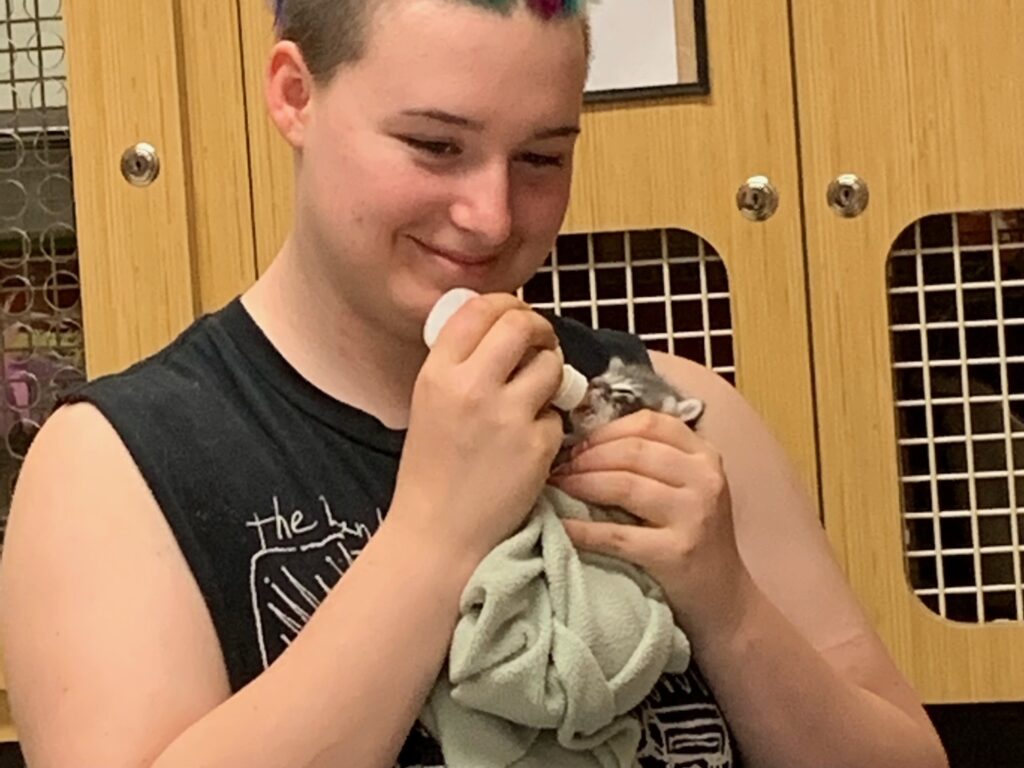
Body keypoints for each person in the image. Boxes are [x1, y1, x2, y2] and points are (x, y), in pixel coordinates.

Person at [0, 1, 949, 766]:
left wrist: (731, 608)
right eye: (435, 146)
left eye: (542, 157)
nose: (492, 217)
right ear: (294, 94)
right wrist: (433, 538)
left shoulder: (673, 406)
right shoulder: (113, 465)